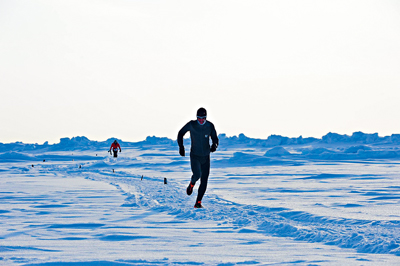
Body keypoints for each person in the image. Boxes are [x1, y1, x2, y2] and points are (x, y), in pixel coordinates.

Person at [177, 107, 219, 208]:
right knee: (197, 175)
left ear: (206, 117)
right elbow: (180, 133)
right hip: (195, 156)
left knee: (204, 180)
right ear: (196, 117)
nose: (201, 120)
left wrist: (214, 145)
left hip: (206, 156)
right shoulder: (192, 124)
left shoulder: (210, 126)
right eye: (199, 118)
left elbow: (215, 138)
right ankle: (192, 183)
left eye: (203, 118)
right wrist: (181, 147)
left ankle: (198, 202)